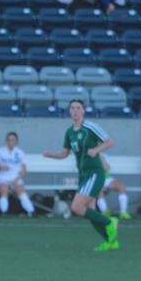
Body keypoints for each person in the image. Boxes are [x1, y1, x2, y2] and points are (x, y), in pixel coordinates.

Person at [43, 99, 119, 251]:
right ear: (69, 111)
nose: (75, 111)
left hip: (95, 173)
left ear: (84, 110)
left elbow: (110, 142)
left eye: (78, 108)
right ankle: (110, 242)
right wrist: (51, 154)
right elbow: (64, 153)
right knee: (90, 210)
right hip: (83, 175)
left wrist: (96, 150)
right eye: (72, 108)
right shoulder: (70, 132)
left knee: (77, 207)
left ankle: (109, 222)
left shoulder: (90, 127)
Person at [0, 132, 35, 217]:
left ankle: (31, 211)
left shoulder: (20, 152)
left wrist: (17, 179)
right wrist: (1, 167)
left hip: (15, 178)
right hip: (3, 177)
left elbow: (24, 171)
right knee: (4, 188)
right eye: (9, 140)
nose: (10, 142)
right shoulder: (0, 151)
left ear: (16, 141)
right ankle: (4, 211)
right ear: (6, 141)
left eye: (13, 140)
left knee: (21, 190)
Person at [97, 153, 132, 219]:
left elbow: (107, 168)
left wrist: (99, 156)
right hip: (95, 178)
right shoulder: (87, 155)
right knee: (98, 190)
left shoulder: (103, 155)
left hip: (107, 179)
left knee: (122, 187)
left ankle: (123, 212)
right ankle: (104, 211)